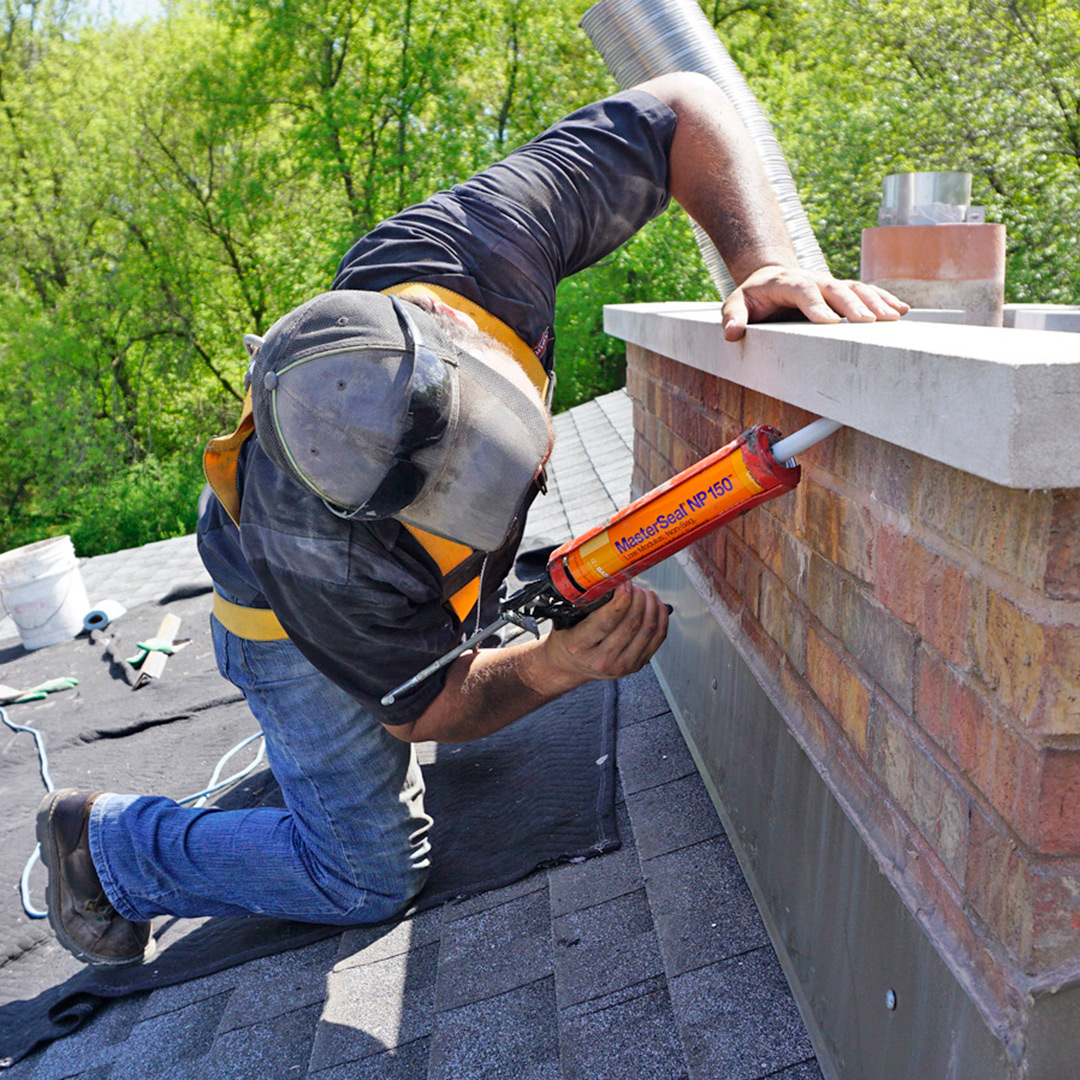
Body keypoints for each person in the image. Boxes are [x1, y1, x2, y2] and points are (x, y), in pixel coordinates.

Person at [36, 72, 907, 966]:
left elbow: (683, 105)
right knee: (366, 873)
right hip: (285, 625)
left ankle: (311, 772)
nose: (510, 487)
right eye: (460, 499)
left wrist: (758, 259)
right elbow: (429, 709)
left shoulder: (479, 241)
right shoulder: (320, 555)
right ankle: (107, 846)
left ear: (448, 333)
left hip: (380, 581)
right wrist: (558, 664)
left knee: (396, 702)